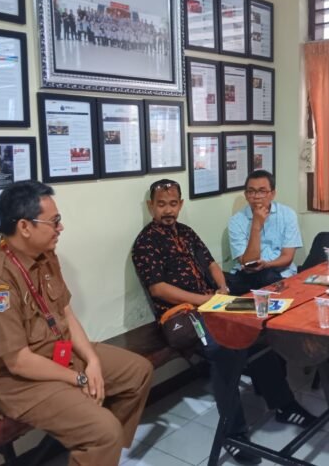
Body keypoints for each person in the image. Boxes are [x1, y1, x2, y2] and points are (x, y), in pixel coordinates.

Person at [0, 180, 153, 466]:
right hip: (14, 381)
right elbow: (18, 362)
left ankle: (101, 454)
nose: (60, 227)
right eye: (54, 221)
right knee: (104, 432)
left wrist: (92, 362)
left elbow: (66, 314)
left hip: (57, 354)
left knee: (138, 372)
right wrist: (79, 379)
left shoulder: (45, 255)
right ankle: (100, 441)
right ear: (25, 227)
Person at [132, 179, 317, 465]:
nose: (168, 210)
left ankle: (284, 404)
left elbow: (211, 263)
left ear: (180, 204)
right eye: (161, 204)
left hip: (214, 302)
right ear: (150, 206)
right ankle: (234, 433)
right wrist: (203, 300)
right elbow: (158, 289)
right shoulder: (146, 242)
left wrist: (222, 288)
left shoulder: (185, 232)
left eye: (173, 204)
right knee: (223, 350)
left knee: (257, 333)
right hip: (183, 314)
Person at [227, 170, 302, 294]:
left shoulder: (287, 214)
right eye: (251, 191)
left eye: (262, 191)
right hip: (249, 275)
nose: (256, 197)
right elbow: (248, 262)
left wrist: (267, 264)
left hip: (281, 273)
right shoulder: (236, 221)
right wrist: (256, 225)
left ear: (272, 194)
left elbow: (287, 257)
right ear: (246, 195)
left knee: (270, 278)